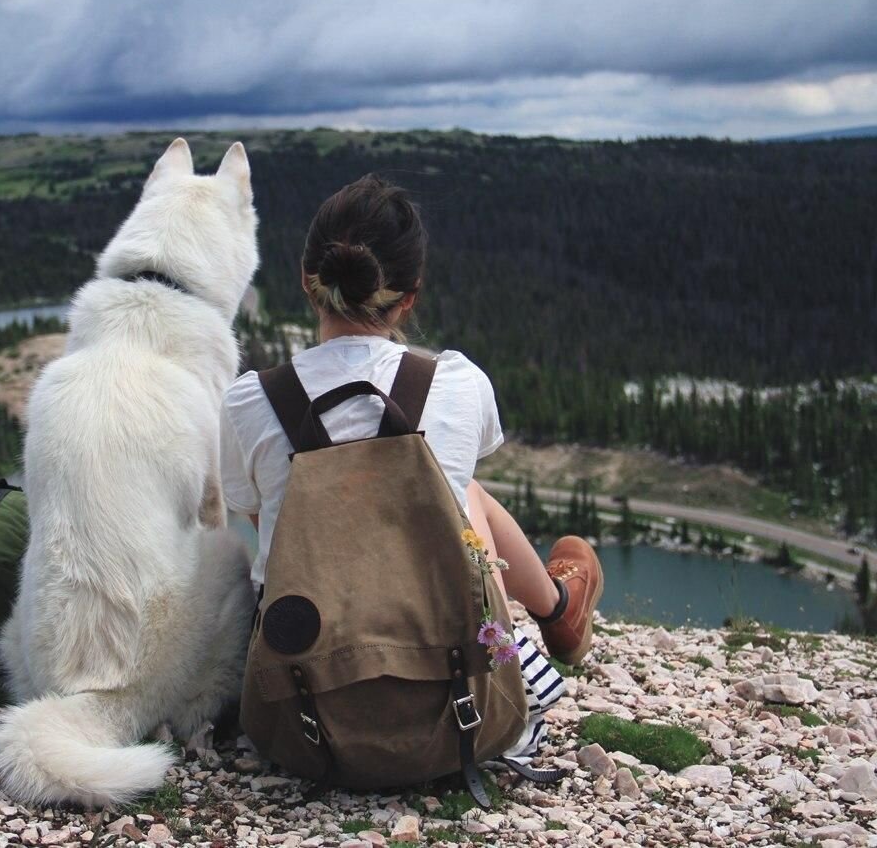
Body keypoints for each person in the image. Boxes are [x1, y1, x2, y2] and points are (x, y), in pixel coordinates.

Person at [219, 174, 604, 760]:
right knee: (460, 494)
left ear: (306, 281)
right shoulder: (456, 383)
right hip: (458, 714)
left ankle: (559, 610)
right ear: (410, 296)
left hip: (298, 725)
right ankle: (556, 609)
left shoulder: (250, 402)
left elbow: (252, 512)